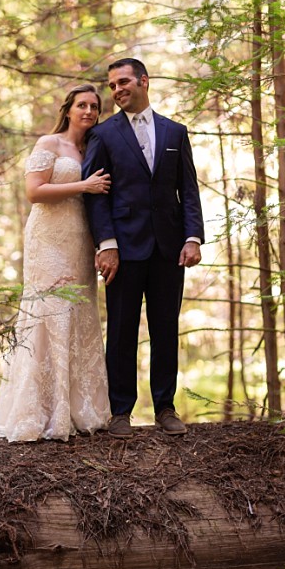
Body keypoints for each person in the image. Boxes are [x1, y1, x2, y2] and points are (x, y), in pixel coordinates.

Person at [0, 85, 112, 443]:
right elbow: (34, 191)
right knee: (49, 312)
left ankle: (76, 408)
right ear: (69, 109)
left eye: (94, 106)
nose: (89, 111)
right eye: (82, 105)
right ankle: (39, 410)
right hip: (47, 238)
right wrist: (84, 185)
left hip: (80, 237)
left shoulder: (92, 148)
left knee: (79, 313)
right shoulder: (49, 143)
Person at [81, 57, 204, 438]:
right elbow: (96, 197)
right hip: (124, 249)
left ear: (143, 82)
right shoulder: (103, 135)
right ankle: (120, 411)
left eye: (123, 82)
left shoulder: (174, 132)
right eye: (112, 85)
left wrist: (192, 237)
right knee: (121, 331)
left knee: (166, 328)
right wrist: (107, 244)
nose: (117, 90)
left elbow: (189, 189)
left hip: (169, 249)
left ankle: (166, 408)